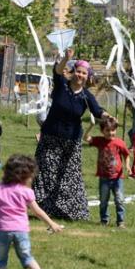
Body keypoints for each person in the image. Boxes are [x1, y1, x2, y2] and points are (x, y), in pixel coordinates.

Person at [32, 49, 109, 221]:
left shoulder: (86, 96)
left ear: (87, 76)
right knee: (44, 172)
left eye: (84, 73)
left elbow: (97, 111)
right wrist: (66, 58)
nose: (80, 75)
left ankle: (72, 212)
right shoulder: (62, 85)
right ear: (73, 72)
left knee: (69, 175)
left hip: (71, 141)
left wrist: (106, 116)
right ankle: (43, 210)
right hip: (50, 137)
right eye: (78, 71)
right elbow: (58, 71)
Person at [84, 117, 130, 227]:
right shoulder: (99, 141)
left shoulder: (120, 143)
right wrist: (90, 126)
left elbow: (126, 155)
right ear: (102, 131)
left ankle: (121, 221)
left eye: (112, 130)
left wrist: (127, 165)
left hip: (117, 178)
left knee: (119, 200)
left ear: (116, 130)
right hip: (104, 178)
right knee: (103, 200)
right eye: (107, 130)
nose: (110, 133)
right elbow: (86, 138)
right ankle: (104, 220)